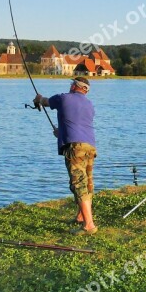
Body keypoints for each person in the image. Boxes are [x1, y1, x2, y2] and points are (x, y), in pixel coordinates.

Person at [33, 77, 98, 235]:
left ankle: (89, 225)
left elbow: (46, 101)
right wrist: (60, 133)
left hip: (75, 148)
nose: (70, 86)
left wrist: (38, 99)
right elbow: (77, 123)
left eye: (71, 83)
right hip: (90, 146)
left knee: (78, 183)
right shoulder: (89, 105)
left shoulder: (64, 98)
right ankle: (81, 216)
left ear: (75, 86)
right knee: (87, 181)